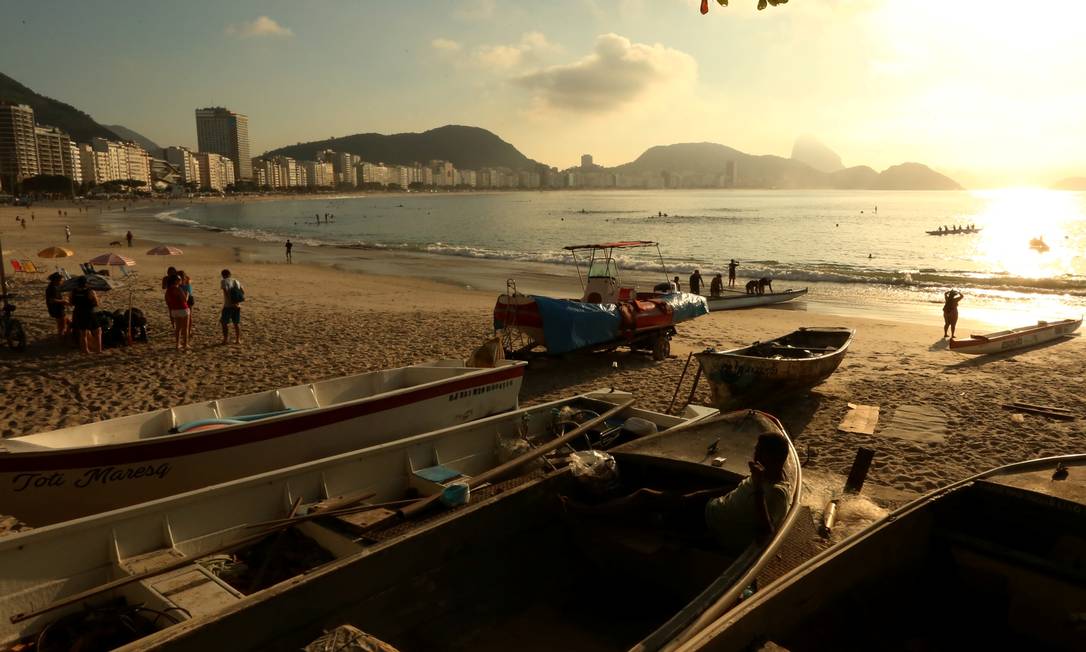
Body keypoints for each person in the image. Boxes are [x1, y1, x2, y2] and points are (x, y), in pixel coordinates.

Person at [561, 432, 792, 557]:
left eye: (759, 452)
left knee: (645, 497)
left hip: (711, 526)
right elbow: (735, 488)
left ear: (773, 457)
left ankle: (588, 512)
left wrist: (759, 487)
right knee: (677, 487)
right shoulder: (761, 474)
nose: (754, 456)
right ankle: (645, 511)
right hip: (708, 508)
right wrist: (697, 495)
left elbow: (766, 534)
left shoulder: (776, 492)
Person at [69, 276, 101, 354]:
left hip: (78, 312)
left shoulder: (73, 291)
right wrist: (97, 298)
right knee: (97, 330)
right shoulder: (90, 291)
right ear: (86, 283)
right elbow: (96, 303)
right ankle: (98, 350)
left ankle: (85, 350)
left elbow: (71, 302)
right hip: (88, 312)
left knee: (83, 333)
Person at [164, 274, 190, 350]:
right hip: (183, 309)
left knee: (178, 328)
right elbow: (185, 300)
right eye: (179, 279)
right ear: (175, 281)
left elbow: (167, 300)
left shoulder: (168, 290)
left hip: (174, 310)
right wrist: (187, 294)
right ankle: (185, 344)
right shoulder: (178, 289)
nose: (181, 281)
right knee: (185, 328)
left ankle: (177, 344)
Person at [220, 269, 243, 345]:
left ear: (223, 275)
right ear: (230, 274)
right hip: (237, 305)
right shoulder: (236, 281)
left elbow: (226, 292)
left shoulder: (224, 281)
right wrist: (237, 302)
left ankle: (225, 339)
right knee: (236, 323)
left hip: (228, 305)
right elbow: (242, 291)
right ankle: (238, 340)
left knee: (224, 323)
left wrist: (231, 302)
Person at [45, 273, 69, 341]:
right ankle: (62, 340)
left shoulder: (54, 287)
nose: (62, 281)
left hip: (56, 309)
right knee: (62, 327)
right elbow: (52, 300)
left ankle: (62, 339)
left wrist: (63, 300)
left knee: (66, 323)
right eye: (61, 280)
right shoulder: (52, 288)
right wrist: (63, 301)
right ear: (56, 280)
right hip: (57, 309)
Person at [179, 270, 195, 340]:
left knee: (187, 316)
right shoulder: (187, 280)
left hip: (187, 298)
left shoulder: (185, 281)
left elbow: (187, 292)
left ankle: (188, 330)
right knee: (187, 316)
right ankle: (187, 330)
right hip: (187, 298)